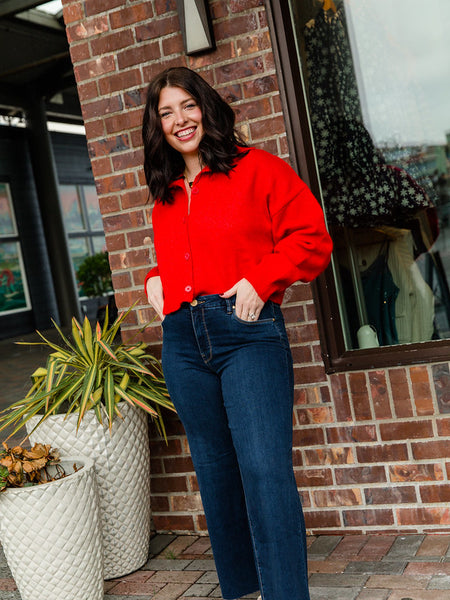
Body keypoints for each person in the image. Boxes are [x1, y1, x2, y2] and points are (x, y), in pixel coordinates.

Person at [142, 66, 333, 600]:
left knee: (264, 469)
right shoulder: (165, 190)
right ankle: (243, 590)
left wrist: (264, 277)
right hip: (183, 342)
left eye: (187, 106)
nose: (180, 120)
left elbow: (313, 237)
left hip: (246, 334)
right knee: (216, 471)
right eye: (166, 113)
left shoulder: (259, 170)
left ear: (206, 107)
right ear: (157, 126)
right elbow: (183, 258)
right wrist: (156, 279)